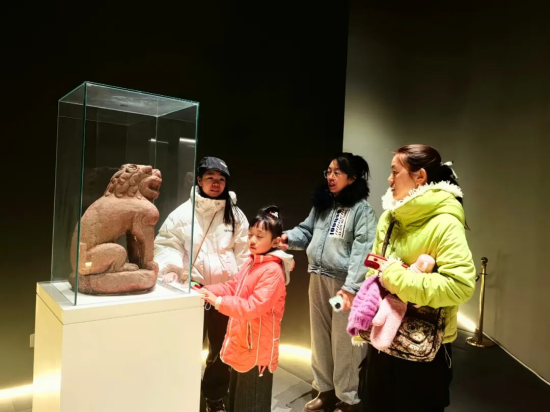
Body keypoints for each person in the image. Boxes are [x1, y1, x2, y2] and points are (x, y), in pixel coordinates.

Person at [359, 144, 476, 412]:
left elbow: (460, 285)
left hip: (423, 349)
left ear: (420, 176)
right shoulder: (390, 217)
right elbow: (375, 268)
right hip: (381, 340)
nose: (389, 179)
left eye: (395, 172)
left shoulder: (445, 222)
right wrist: (365, 307)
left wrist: (395, 277)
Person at [281, 153, 377, 412]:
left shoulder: (362, 211)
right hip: (318, 279)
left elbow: (363, 251)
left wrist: (351, 288)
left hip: (342, 286)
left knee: (344, 342)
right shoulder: (322, 205)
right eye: (328, 172)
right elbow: (305, 231)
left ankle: (348, 398)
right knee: (320, 336)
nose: (330, 177)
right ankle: (325, 389)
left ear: (352, 178)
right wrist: (286, 238)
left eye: (337, 172)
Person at [154, 156, 249, 412]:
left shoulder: (236, 215)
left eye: (221, 179)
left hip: (224, 296)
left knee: (221, 350)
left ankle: (214, 397)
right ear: (199, 180)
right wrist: (173, 270)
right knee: (185, 347)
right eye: (210, 178)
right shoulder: (182, 214)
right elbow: (166, 244)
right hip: (192, 294)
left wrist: (242, 287)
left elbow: (244, 254)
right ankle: (182, 396)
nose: (216, 183)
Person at [195, 206, 295, 412]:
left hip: (257, 351)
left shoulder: (272, 271)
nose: (252, 240)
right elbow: (233, 286)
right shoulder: (252, 263)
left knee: (250, 404)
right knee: (238, 403)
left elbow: (252, 308)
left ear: (275, 242)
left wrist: (218, 301)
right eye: (250, 235)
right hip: (244, 345)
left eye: (260, 236)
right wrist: (206, 290)